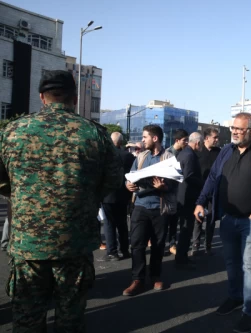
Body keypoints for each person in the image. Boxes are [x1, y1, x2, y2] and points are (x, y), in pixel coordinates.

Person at [0, 70, 123, 332]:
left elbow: (2, 181)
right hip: (74, 245)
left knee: (27, 319)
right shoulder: (94, 134)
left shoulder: (12, 131)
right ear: (75, 98)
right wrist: (84, 197)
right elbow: (112, 181)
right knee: (70, 318)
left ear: (42, 97)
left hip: (27, 245)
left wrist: (22, 195)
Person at [194, 113, 251, 333]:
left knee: (250, 266)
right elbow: (213, 178)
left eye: (238, 129)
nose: (233, 131)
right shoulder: (225, 151)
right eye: (232, 127)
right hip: (228, 218)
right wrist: (200, 202)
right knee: (231, 263)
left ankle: (250, 311)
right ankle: (235, 297)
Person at [123, 125, 178, 296]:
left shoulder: (169, 157)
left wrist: (164, 186)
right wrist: (128, 184)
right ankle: (137, 279)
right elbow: (130, 176)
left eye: (145, 137)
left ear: (155, 138)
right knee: (137, 244)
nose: (142, 140)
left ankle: (155, 276)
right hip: (140, 206)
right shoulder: (140, 157)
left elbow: (175, 183)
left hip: (159, 208)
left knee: (158, 245)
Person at [99, 132, 136, 261]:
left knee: (109, 223)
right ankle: (125, 250)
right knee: (122, 223)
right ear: (121, 142)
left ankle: (112, 252)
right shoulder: (128, 156)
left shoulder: (105, 155)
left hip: (108, 194)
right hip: (123, 193)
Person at [175, 132, 204, 266]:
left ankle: (182, 257)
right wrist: (204, 184)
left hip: (182, 195)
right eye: (202, 143)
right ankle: (182, 259)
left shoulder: (184, 153)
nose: (202, 146)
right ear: (197, 143)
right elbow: (190, 176)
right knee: (186, 229)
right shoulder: (190, 156)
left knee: (184, 229)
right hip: (188, 197)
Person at [192, 128, 221, 256]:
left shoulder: (219, 152)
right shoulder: (198, 152)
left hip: (213, 192)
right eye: (215, 137)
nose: (217, 140)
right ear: (207, 138)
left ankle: (207, 245)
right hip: (198, 191)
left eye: (217, 137)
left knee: (211, 219)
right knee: (198, 219)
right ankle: (195, 245)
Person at [164, 129, 189, 255]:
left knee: (175, 220)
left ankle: (172, 243)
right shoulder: (168, 153)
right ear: (177, 140)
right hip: (168, 191)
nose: (186, 142)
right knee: (165, 220)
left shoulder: (186, 153)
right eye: (184, 140)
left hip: (180, 191)